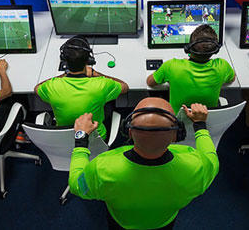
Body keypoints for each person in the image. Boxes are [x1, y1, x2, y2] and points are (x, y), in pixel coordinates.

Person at [69, 98, 218, 229]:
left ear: (129, 132)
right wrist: (200, 125)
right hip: (164, 223)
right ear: (176, 135)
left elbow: (77, 186)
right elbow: (211, 159)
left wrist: (81, 139)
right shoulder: (196, 166)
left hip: (120, 223)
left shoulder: (102, 167)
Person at [35, 36, 128, 141]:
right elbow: (124, 87)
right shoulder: (102, 85)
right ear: (88, 60)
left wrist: (64, 75)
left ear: (64, 60)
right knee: (108, 103)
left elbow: (37, 88)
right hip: (96, 141)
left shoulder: (51, 86)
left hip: (64, 140)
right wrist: (95, 74)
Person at [147, 24, 235, 113]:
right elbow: (232, 78)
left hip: (177, 120)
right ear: (215, 49)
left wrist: (172, 79)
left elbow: (150, 82)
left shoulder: (171, 66)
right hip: (206, 119)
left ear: (189, 47)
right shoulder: (222, 66)